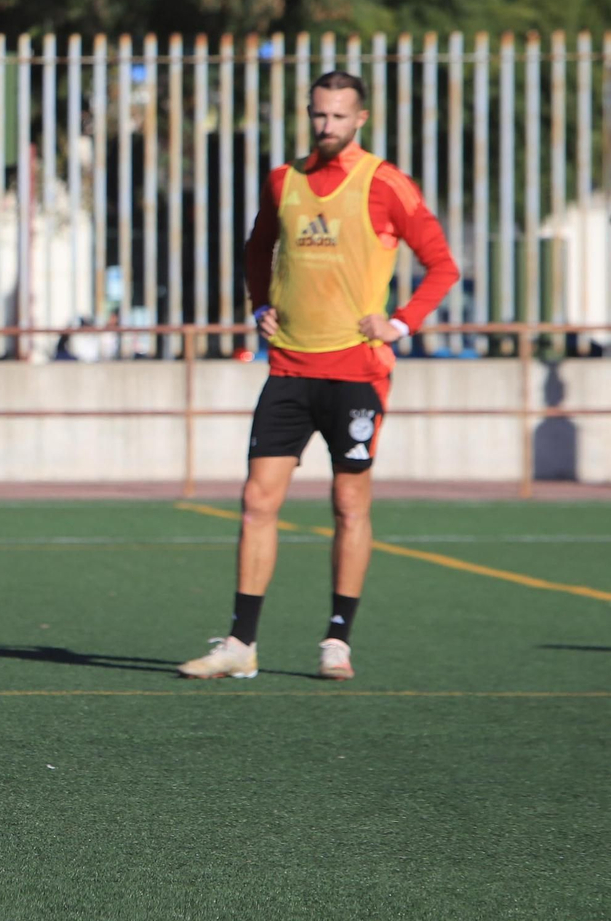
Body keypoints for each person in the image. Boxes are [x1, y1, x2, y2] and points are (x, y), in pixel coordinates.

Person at [178, 71, 459, 681]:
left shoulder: (385, 183)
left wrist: (401, 323)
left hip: (357, 372)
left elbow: (441, 265)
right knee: (257, 500)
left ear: (361, 119)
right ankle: (240, 643)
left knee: (348, 503)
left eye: (337, 117)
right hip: (289, 367)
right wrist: (259, 304)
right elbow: (258, 247)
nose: (326, 127)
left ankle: (337, 641)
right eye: (318, 115)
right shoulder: (285, 180)